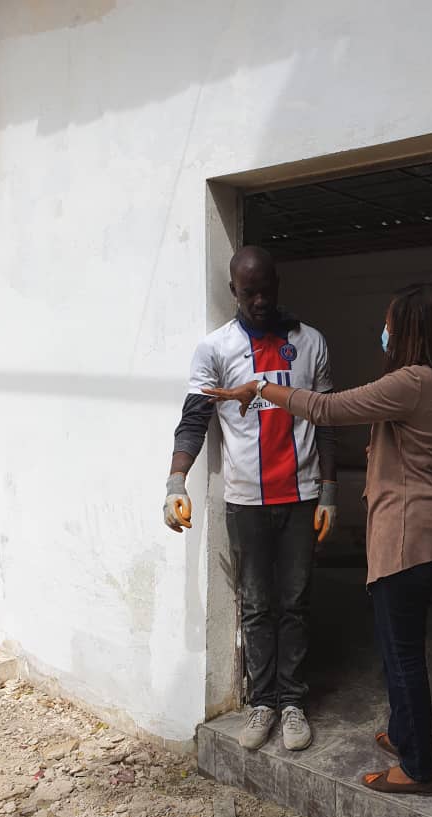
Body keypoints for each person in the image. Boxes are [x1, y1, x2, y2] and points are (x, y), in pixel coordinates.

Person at [203, 283, 432, 796]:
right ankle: (401, 734)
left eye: (391, 323)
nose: (385, 331)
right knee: (399, 647)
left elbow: (328, 409)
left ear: (410, 330)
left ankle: (418, 767)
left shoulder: (412, 381)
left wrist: (262, 388)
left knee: (402, 654)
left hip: (411, 541)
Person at [164, 246, 337, 753]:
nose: (260, 300)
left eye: (267, 289)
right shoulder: (214, 349)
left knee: (295, 603)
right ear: (234, 291)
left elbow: (325, 419)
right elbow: (194, 421)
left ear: (278, 285)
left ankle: (293, 703)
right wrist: (176, 482)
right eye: (249, 291)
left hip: (302, 496)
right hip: (245, 500)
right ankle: (262, 701)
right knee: (258, 605)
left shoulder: (310, 343)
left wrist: (330, 490)